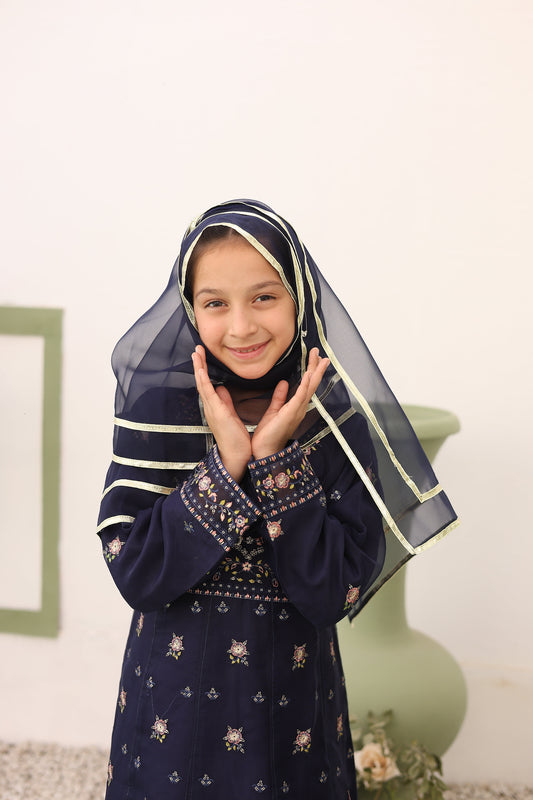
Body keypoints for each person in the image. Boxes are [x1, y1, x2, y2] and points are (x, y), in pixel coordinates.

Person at [97, 199, 458, 799]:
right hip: (171, 709)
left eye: (264, 296)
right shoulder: (159, 410)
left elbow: (328, 594)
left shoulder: (335, 420)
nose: (240, 327)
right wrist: (228, 461)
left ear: (299, 297)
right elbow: (136, 573)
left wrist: (275, 462)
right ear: (191, 308)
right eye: (215, 303)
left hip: (291, 706)